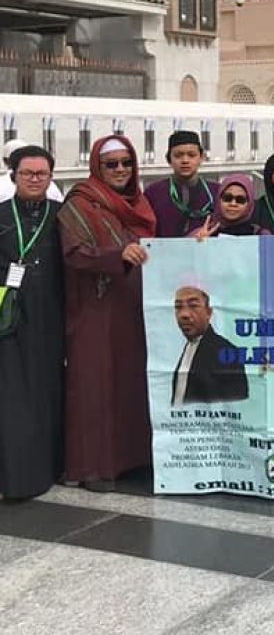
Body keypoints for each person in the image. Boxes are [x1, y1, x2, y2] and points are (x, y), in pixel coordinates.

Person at [58, 135, 156, 491]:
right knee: (95, 385)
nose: (119, 170)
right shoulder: (80, 203)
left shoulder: (139, 202)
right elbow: (73, 253)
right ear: (97, 166)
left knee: (131, 383)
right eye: (111, 164)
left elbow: (154, 247)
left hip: (133, 307)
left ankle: (133, 459)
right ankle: (93, 467)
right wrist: (117, 257)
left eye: (126, 163)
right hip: (95, 309)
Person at [0, 145, 64, 499]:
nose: (36, 179)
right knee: (13, 396)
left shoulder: (62, 214)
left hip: (51, 316)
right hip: (10, 318)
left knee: (46, 391)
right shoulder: (0, 215)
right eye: (28, 173)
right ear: (14, 176)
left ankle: (48, 467)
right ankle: (16, 474)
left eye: (42, 174)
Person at [172, 285, 249, 405]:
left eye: (193, 306)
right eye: (178, 307)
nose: (184, 314)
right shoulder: (189, 346)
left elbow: (238, 406)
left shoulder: (226, 352)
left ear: (209, 312)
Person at [144, 131, 218, 237]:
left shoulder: (216, 192)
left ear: (201, 158)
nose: (185, 160)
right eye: (178, 155)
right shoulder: (153, 193)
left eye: (191, 155)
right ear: (169, 159)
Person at [190, 174, 270, 239]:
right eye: (227, 198)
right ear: (219, 200)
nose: (233, 204)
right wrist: (197, 246)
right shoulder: (201, 234)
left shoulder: (261, 236)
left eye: (240, 200)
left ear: (249, 204)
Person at [0, 138, 63, 203]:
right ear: (13, 177)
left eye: (41, 174)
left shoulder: (61, 210)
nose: (34, 179)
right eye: (27, 173)